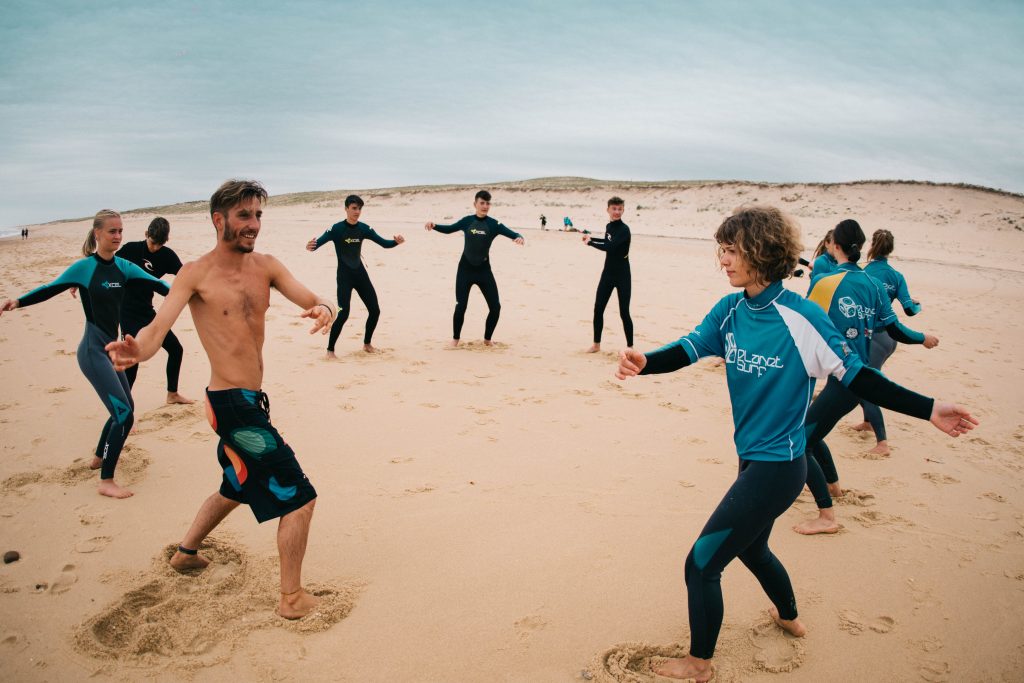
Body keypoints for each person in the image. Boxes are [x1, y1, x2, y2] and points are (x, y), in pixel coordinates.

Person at [615, 206, 976, 682]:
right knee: (752, 549)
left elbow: (860, 376)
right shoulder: (731, 310)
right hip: (751, 461)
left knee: (701, 564)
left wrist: (929, 408)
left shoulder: (801, 318)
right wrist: (647, 361)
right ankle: (789, 617)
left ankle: (699, 665)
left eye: (730, 250)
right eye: (719, 250)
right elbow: (690, 347)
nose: (722, 260)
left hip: (781, 468)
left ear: (761, 251)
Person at [105, 179, 334, 619]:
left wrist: (325, 307)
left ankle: (186, 552)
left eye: (258, 216)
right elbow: (157, 329)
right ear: (219, 220)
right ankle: (291, 599)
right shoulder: (196, 273)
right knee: (300, 497)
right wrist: (139, 350)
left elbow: (312, 297)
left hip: (247, 400)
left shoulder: (267, 266)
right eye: (244, 216)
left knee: (235, 485)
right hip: (232, 405)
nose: (253, 225)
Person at [1, 210, 169, 499]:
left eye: (120, 231)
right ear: (97, 235)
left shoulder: (124, 267)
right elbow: (49, 289)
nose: (117, 236)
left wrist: (191, 293)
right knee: (123, 413)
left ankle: (98, 458)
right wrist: (17, 301)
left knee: (125, 410)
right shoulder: (84, 268)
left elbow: (159, 284)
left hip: (109, 351)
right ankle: (106, 481)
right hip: (92, 352)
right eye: (111, 231)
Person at [794, 219, 938, 535]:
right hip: (855, 376)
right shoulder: (873, 284)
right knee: (810, 432)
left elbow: (799, 327)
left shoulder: (826, 282)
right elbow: (895, 327)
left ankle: (826, 516)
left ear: (834, 245)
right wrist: (922, 337)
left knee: (799, 441)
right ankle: (833, 487)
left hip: (843, 380)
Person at [306, 195, 404, 357]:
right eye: (353, 208)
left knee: (375, 310)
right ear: (346, 209)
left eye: (359, 208)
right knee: (343, 313)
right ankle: (330, 350)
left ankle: (367, 344)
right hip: (344, 276)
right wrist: (310, 246)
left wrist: (396, 242)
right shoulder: (336, 229)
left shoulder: (364, 229)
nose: (357, 212)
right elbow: (317, 244)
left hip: (360, 275)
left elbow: (384, 243)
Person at [851, 229, 922, 454]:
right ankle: (868, 422)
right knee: (866, 377)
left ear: (872, 245)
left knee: (866, 385)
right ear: (890, 249)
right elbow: (909, 310)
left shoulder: (863, 272)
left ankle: (882, 443)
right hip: (890, 338)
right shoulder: (896, 276)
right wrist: (918, 304)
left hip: (871, 336)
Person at [424, 190, 524, 347]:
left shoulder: (493, 224)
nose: (485, 206)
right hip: (465, 270)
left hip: (484, 271)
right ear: (475, 204)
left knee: (495, 307)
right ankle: (455, 340)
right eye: (482, 203)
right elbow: (450, 229)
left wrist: (519, 237)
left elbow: (512, 233)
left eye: (488, 203)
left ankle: (487, 339)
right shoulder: (467, 221)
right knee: (461, 306)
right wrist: (434, 225)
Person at [116, 217, 193, 404]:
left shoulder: (167, 255)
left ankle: (172, 394)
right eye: (152, 243)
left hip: (147, 312)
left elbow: (186, 277)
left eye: (159, 245)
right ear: (146, 235)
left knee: (176, 349)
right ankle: (124, 408)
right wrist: (80, 283)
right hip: (126, 312)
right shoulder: (130, 250)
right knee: (133, 359)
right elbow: (105, 265)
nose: (155, 248)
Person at [583, 196, 633, 353]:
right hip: (608, 274)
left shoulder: (624, 230)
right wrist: (592, 238)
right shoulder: (609, 226)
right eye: (614, 209)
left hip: (623, 275)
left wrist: (590, 243)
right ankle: (596, 344)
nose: (617, 212)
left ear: (623, 210)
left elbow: (610, 247)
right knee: (598, 308)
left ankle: (630, 347)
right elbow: (606, 240)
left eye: (620, 209)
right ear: (608, 210)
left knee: (624, 311)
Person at [806, 228, 837, 293]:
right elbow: (816, 289)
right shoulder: (821, 262)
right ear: (827, 244)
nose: (837, 247)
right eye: (834, 244)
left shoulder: (838, 261)